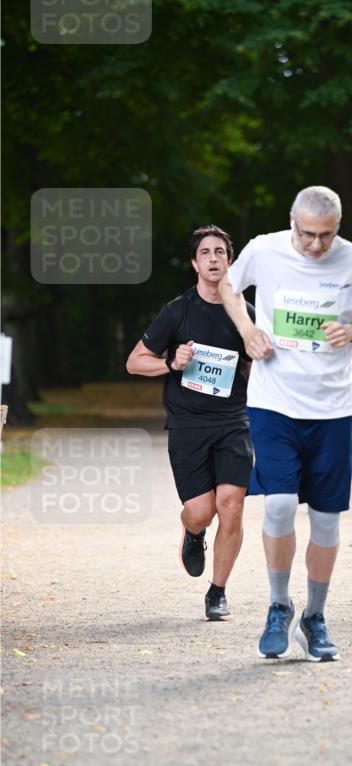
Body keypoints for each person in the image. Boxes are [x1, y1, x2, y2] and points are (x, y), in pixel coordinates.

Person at [220, 186, 352, 661]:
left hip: (332, 407)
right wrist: (248, 330)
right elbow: (229, 287)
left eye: (326, 236)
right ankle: (279, 606)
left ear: (338, 228)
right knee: (278, 505)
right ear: (292, 222)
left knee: (326, 518)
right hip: (274, 401)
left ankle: (314, 617)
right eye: (308, 234)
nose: (316, 245)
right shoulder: (264, 249)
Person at [126, 226, 255, 619]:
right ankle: (193, 532)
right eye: (205, 253)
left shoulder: (245, 312)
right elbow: (134, 362)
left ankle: (218, 592)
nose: (213, 258)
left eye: (220, 252)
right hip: (188, 424)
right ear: (195, 264)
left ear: (230, 261)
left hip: (234, 421)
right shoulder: (177, 310)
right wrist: (171, 362)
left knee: (231, 505)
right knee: (202, 511)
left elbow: (257, 364)